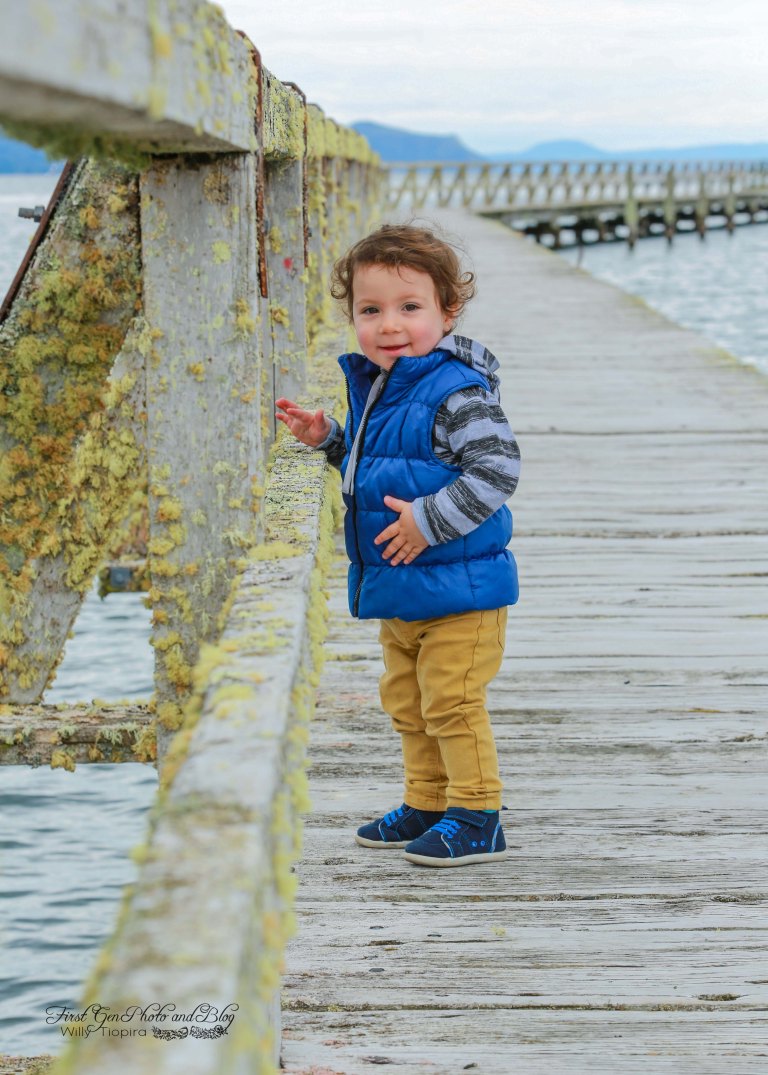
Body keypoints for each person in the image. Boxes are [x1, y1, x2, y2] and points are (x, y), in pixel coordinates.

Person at [275, 223, 520, 867]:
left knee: (452, 703)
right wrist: (330, 439)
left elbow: (498, 471)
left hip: (461, 592)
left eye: (410, 307)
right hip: (403, 589)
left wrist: (428, 521)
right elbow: (379, 469)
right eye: (370, 310)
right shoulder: (382, 385)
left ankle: (479, 815)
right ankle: (428, 801)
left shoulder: (456, 392)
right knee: (409, 703)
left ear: (448, 310)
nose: (389, 325)